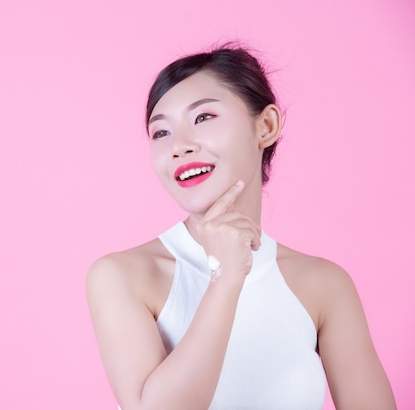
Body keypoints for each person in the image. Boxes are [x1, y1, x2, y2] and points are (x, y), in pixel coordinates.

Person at [86, 45, 396, 410]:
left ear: (266, 126)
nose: (179, 146)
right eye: (160, 133)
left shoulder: (324, 285)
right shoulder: (123, 275)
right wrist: (226, 276)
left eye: (202, 118)